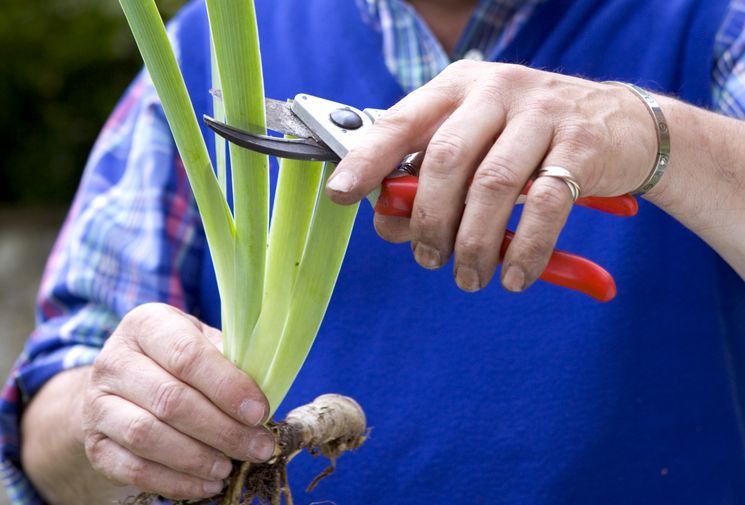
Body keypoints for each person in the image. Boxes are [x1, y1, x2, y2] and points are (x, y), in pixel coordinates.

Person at [2, 0, 744, 503]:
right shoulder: (201, 52)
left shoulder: (713, 27)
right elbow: (48, 424)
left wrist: (658, 139)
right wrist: (110, 417)